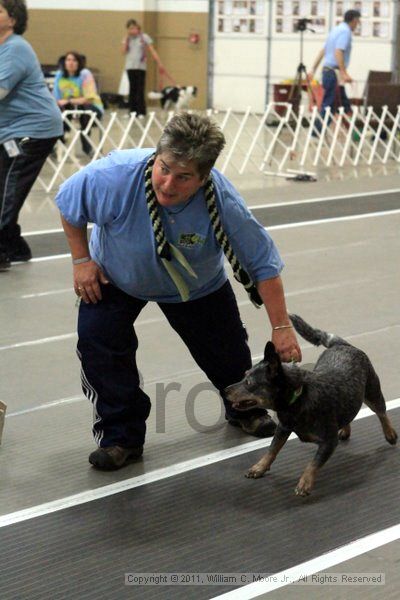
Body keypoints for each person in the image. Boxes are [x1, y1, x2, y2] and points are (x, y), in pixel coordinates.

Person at [55, 113, 302, 471]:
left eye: (184, 177)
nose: (168, 184)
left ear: (204, 178)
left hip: (196, 285)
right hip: (116, 276)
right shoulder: (113, 176)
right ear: (156, 156)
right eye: (164, 168)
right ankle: (120, 437)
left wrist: (281, 327)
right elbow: (69, 204)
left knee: (228, 354)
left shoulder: (223, 200)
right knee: (98, 344)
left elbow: (262, 263)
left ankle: (244, 408)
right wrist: (81, 260)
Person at [0, 0, 63, 270]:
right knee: (4, 187)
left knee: (7, 189)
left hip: (31, 130)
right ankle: (15, 246)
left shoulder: (15, 48)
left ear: (12, 19)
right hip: (11, 131)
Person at [309, 9, 361, 131]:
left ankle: (356, 132)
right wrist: (344, 73)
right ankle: (316, 133)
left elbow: (323, 50)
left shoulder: (335, 30)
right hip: (334, 73)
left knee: (344, 104)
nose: (357, 25)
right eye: (357, 22)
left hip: (328, 72)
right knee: (329, 106)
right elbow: (338, 52)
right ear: (353, 20)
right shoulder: (345, 32)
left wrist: (313, 69)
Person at [53, 51, 104, 157]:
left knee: (83, 109)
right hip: (68, 109)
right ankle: (58, 140)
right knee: (56, 111)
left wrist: (69, 100)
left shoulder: (85, 74)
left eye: (74, 60)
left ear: (79, 63)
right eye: (68, 60)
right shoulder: (59, 75)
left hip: (91, 108)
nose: (71, 63)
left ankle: (87, 147)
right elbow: (57, 98)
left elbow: (89, 98)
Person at [121, 18, 165, 117]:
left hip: (140, 67)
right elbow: (123, 52)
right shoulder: (127, 39)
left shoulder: (144, 37)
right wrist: (126, 40)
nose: (132, 30)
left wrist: (159, 63)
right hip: (130, 67)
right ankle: (132, 111)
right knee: (132, 89)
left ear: (138, 28)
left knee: (140, 89)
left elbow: (152, 50)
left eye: (134, 28)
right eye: (130, 29)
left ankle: (141, 111)